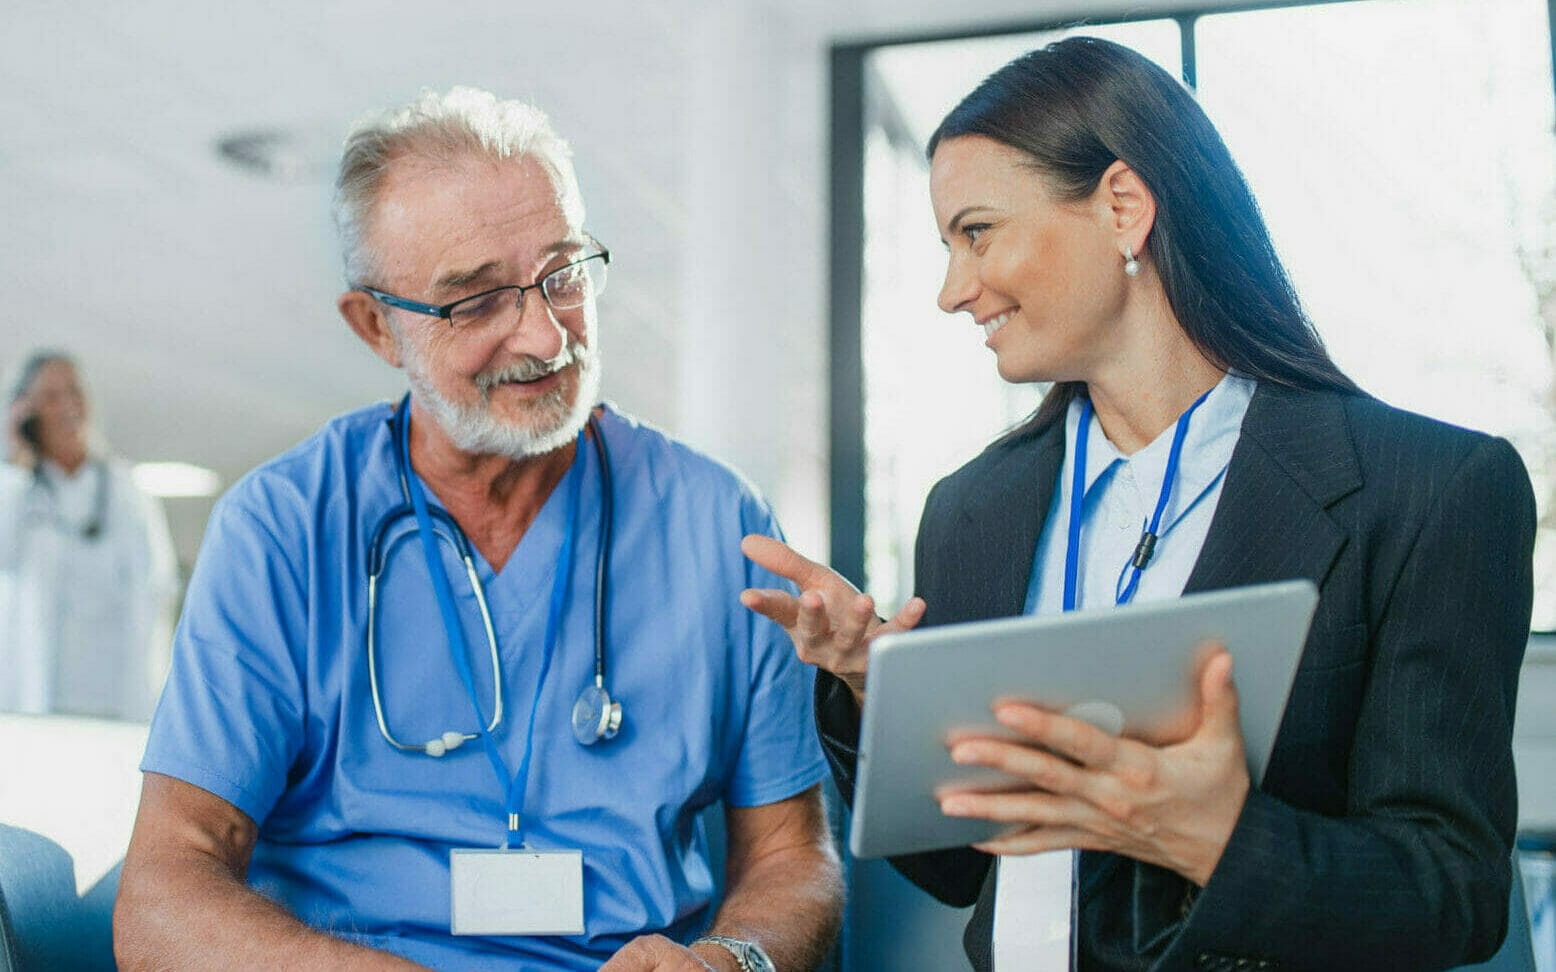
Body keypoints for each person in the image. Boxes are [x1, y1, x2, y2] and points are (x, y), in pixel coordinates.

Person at [742, 37, 1535, 972]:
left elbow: (1455, 893)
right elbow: (960, 869)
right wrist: (883, 694)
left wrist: (1215, 838)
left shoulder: (1429, 492)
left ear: (1123, 206)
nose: (953, 290)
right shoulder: (972, 509)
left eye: (978, 231)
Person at [114, 88, 840, 972]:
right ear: (377, 326)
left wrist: (733, 958)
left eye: (564, 274)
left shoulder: (715, 522)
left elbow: (793, 858)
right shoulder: (285, 527)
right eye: (478, 300)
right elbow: (161, 900)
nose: (543, 333)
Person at [0, 350, 178, 721]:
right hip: (33, 699)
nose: (67, 404)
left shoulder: (126, 490)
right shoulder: (16, 492)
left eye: (75, 391)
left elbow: (158, 588)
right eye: (50, 396)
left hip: (116, 698)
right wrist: (16, 460)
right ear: (26, 411)